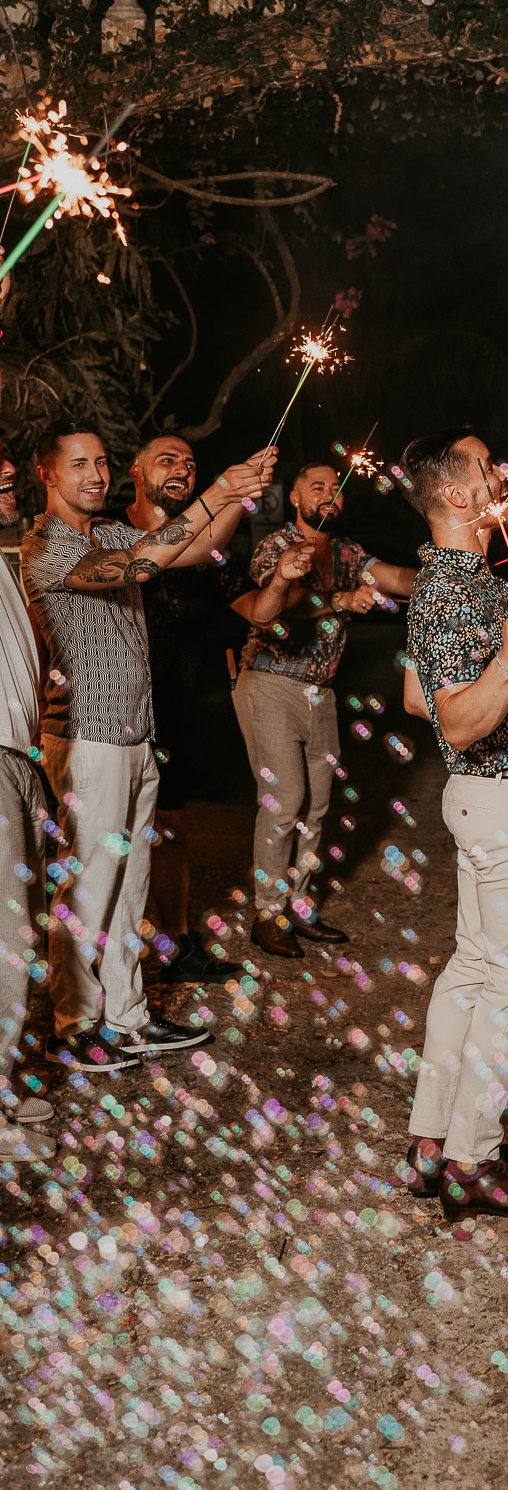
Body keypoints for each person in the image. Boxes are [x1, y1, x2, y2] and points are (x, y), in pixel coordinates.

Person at [22, 424, 272, 1073]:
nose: (97, 475)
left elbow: (193, 548)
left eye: (102, 462)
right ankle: (76, 1024)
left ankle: (127, 1014)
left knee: (130, 888)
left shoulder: (111, 531)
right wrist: (215, 488)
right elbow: (141, 565)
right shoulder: (44, 543)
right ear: (48, 474)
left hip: (137, 734)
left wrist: (238, 494)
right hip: (84, 737)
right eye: (80, 465)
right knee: (86, 886)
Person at [398, 426, 508, 1220]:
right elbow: (456, 724)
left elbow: (417, 699)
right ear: (460, 496)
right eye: (484, 470)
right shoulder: (454, 590)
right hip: (503, 799)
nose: (501, 475)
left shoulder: (452, 580)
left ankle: (431, 1143)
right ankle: (473, 1161)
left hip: (483, 796)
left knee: (472, 970)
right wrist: (507, 665)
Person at [232, 460, 415, 958]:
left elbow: (394, 576)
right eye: (318, 487)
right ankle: (267, 916)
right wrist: (339, 599)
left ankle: (298, 908)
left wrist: (444, 581)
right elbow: (281, 602)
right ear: (296, 497)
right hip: (271, 683)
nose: (330, 494)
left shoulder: (348, 551)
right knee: (284, 803)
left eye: (336, 487)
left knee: (316, 808)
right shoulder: (279, 546)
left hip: (323, 694)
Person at [127, 432, 243, 984]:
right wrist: (227, 491)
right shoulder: (109, 530)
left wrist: (237, 495)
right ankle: (98, 958)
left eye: (191, 463)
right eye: (167, 459)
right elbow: (169, 548)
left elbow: (207, 554)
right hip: (112, 706)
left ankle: (175, 944)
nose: (182, 468)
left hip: (177, 701)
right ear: (136, 470)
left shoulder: (201, 548)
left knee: (171, 829)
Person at [0, 442, 56, 1159]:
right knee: (8, 944)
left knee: (25, 935)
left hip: (17, 757)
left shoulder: (7, 558)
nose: (7, 472)